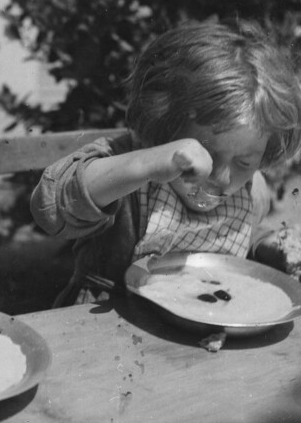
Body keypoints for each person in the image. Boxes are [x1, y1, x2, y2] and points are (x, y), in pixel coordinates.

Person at [30, 19, 301, 307]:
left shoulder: (250, 188)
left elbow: (230, 232)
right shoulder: (129, 168)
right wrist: (152, 163)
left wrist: (268, 247)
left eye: (245, 162)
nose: (221, 178)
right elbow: (51, 207)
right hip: (105, 331)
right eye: (206, 153)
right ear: (165, 127)